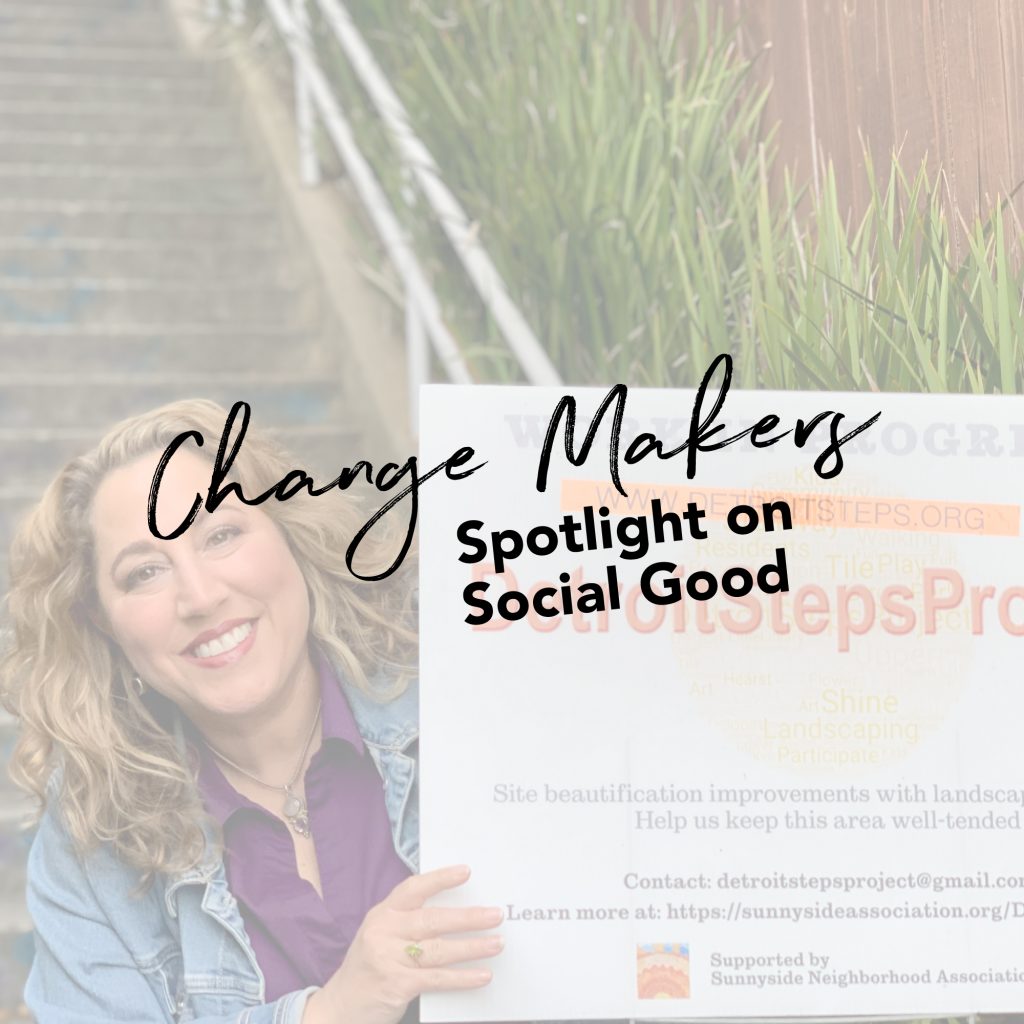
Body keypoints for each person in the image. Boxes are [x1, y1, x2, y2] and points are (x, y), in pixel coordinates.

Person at [0, 399, 504, 1024]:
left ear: (290, 535)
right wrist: (334, 1012)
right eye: (145, 572)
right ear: (105, 626)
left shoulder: (457, 685)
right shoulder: (90, 838)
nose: (201, 596)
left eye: (221, 534)